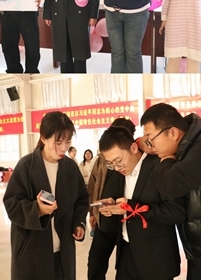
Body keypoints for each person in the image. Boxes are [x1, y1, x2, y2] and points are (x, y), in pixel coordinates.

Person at [140, 103, 201, 280]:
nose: (151, 146)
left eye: (151, 138)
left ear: (173, 133)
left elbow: (169, 185)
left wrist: (166, 158)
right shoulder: (191, 144)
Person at [3, 111, 88, 279]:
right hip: (32, 249)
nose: (63, 148)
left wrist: (79, 223)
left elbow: (81, 199)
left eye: (68, 141)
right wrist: (37, 210)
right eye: (58, 142)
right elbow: (12, 204)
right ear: (43, 138)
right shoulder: (26, 166)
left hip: (63, 249)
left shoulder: (70, 167)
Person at [97, 126, 186, 280]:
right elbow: (123, 203)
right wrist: (112, 206)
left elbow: (176, 212)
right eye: (111, 163)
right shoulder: (118, 172)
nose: (116, 168)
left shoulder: (159, 168)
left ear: (133, 148)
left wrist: (132, 208)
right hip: (126, 254)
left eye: (119, 161)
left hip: (156, 259)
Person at [87, 117, 135, 280]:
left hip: (128, 221)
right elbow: (92, 185)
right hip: (106, 220)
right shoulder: (102, 160)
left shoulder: (137, 158)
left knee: (125, 268)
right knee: (95, 264)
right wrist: (92, 212)